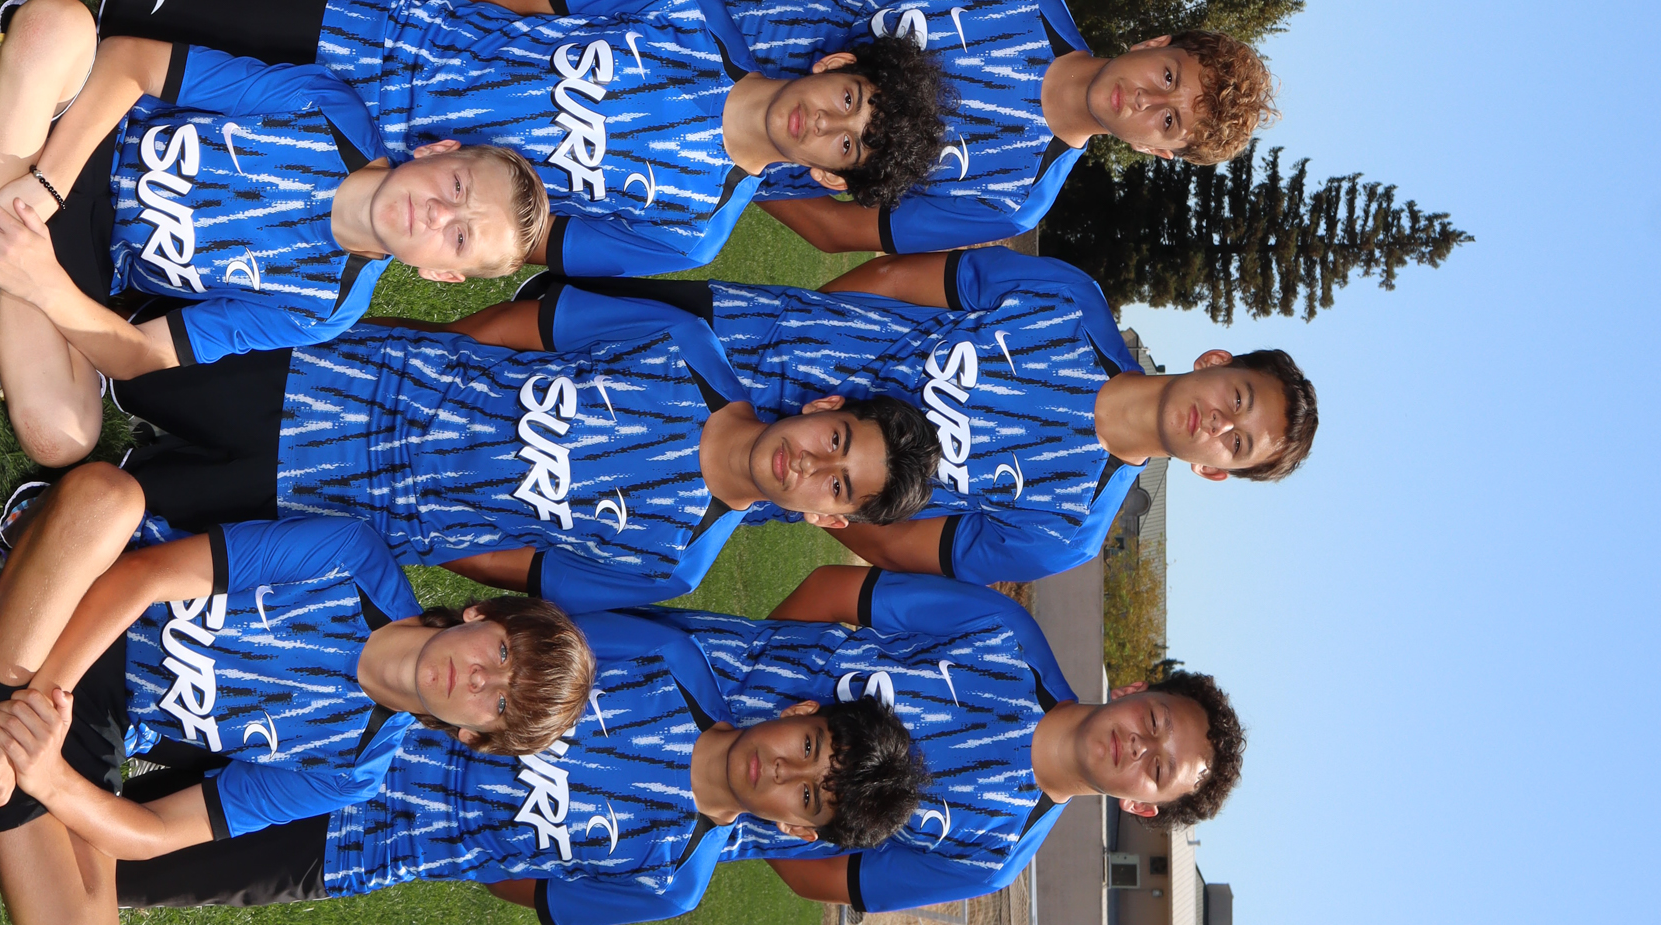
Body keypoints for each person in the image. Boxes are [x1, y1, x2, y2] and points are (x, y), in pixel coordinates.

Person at [109, 572, 1242, 922]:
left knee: (139, 856)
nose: (1139, 747)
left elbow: (823, 871)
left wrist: (759, 805)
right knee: (213, 696)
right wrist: (733, 696)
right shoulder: (1000, 637)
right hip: (633, 696)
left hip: (628, 814)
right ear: (1139, 689)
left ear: (1142, 805)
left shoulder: (990, 853)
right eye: (1156, 723)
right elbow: (835, 595)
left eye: (1158, 768)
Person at [0, 467, 593, 925]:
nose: (478, 679)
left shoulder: (352, 770)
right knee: (106, 499)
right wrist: (43, 703)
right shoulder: (354, 559)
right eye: (502, 654)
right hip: (97, 597)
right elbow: (143, 577)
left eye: (497, 705)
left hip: (103, 720)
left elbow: (154, 833)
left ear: (471, 737)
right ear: (481, 614)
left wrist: (47, 775)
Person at [0, 0, 546, 464]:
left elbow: (140, 356)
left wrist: (43, 282)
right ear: (437, 151)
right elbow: (130, 62)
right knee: (58, 24)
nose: (439, 213)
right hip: (84, 140)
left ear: (439, 274)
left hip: (86, 259)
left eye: (459, 238)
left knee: (64, 436)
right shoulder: (329, 109)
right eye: (458, 187)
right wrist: (47, 185)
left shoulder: (326, 308)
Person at [485, 252, 1317, 585]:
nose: (1219, 421)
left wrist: (823, 488)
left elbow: (892, 539)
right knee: (508, 325)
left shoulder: (1067, 531)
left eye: (1236, 443)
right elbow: (896, 282)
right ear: (1217, 360)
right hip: (735, 332)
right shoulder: (1070, 301)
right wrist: (804, 335)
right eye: (1238, 398)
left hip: (716, 479)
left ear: (1213, 470)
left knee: (513, 468)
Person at [92, 0, 955, 276]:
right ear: (834, 66)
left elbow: (523, 240)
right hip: (374, 41)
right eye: (849, 101)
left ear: (826, 176)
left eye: (846, 147)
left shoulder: (692, 231)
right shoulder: (689, 13)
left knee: (184, 159)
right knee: (132, 5)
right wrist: (440, 51)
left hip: (368, 175)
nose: (827, 125)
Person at [98, 309, 938, 610]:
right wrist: (415, 365)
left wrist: (424, 527)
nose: (812, 465)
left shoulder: (676, 561)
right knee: (126, 371)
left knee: (118, 499)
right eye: (835, 441)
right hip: (340, 386)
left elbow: (522, 566)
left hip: (345, 500)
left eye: (837, 486)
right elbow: (521, 330)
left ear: (829, 519)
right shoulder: (684, 346)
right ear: (825, 408)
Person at [699, 0, 1277, 253]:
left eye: (1168, 120)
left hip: (706, 157)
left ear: (1156, 151)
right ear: (1154, 44)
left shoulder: (1017, 200)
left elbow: (841, 231)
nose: (1147, 99)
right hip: (704, 30)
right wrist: (745, 38)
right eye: (1168, 76)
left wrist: (750, 168)